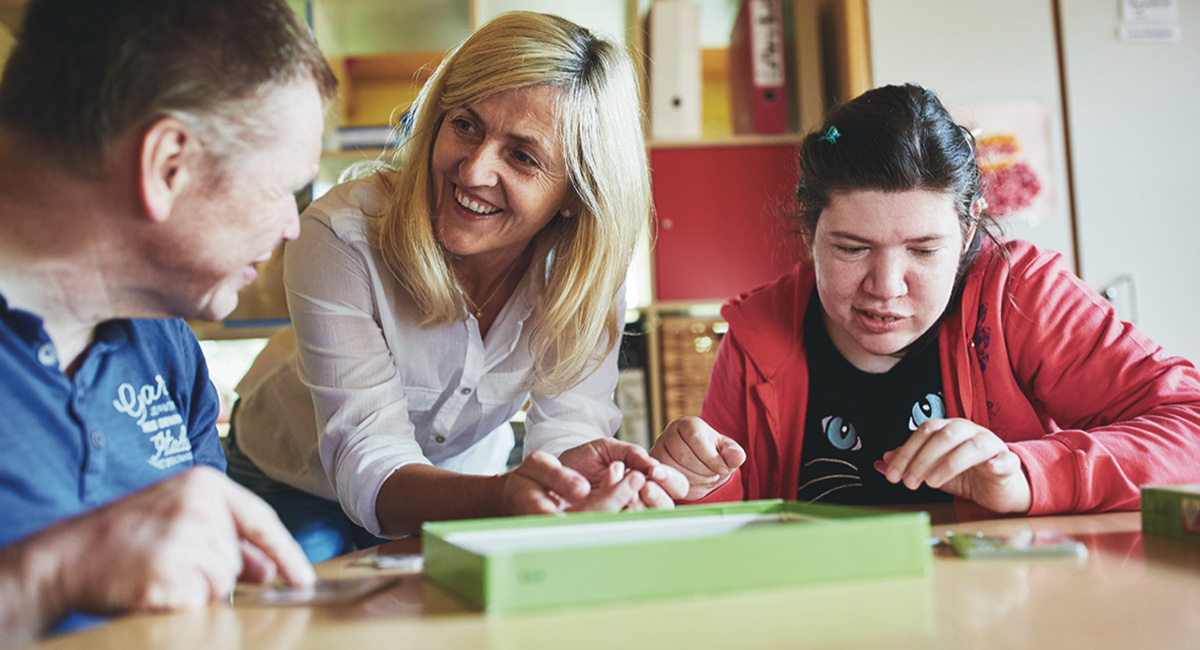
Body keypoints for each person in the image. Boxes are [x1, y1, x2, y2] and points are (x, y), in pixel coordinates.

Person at [226, 11, 687, 562]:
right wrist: (505, 497)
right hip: (293, 473)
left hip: (464, 485)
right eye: (465, 124)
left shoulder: (582, 274)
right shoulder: (341, 236)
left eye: (521, 156)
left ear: (575, 193)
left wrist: (579, 485)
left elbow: (567, 428)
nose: (471, 172)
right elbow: (368, 456)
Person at [650, 84, 1200, 516]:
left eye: (924, 251)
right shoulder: (757, 335)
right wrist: (696, 482)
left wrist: (1029, 474)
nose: (886, 286)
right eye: (852, 247)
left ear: (966, 236)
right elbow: (733, 527)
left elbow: (1190, 423)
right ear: (808, 232)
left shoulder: (1019, 291)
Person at [0, 0, 337, 642]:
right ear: (167, 165)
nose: (293, 228)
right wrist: (51, 575)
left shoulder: (166, 343)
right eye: (284, 192)